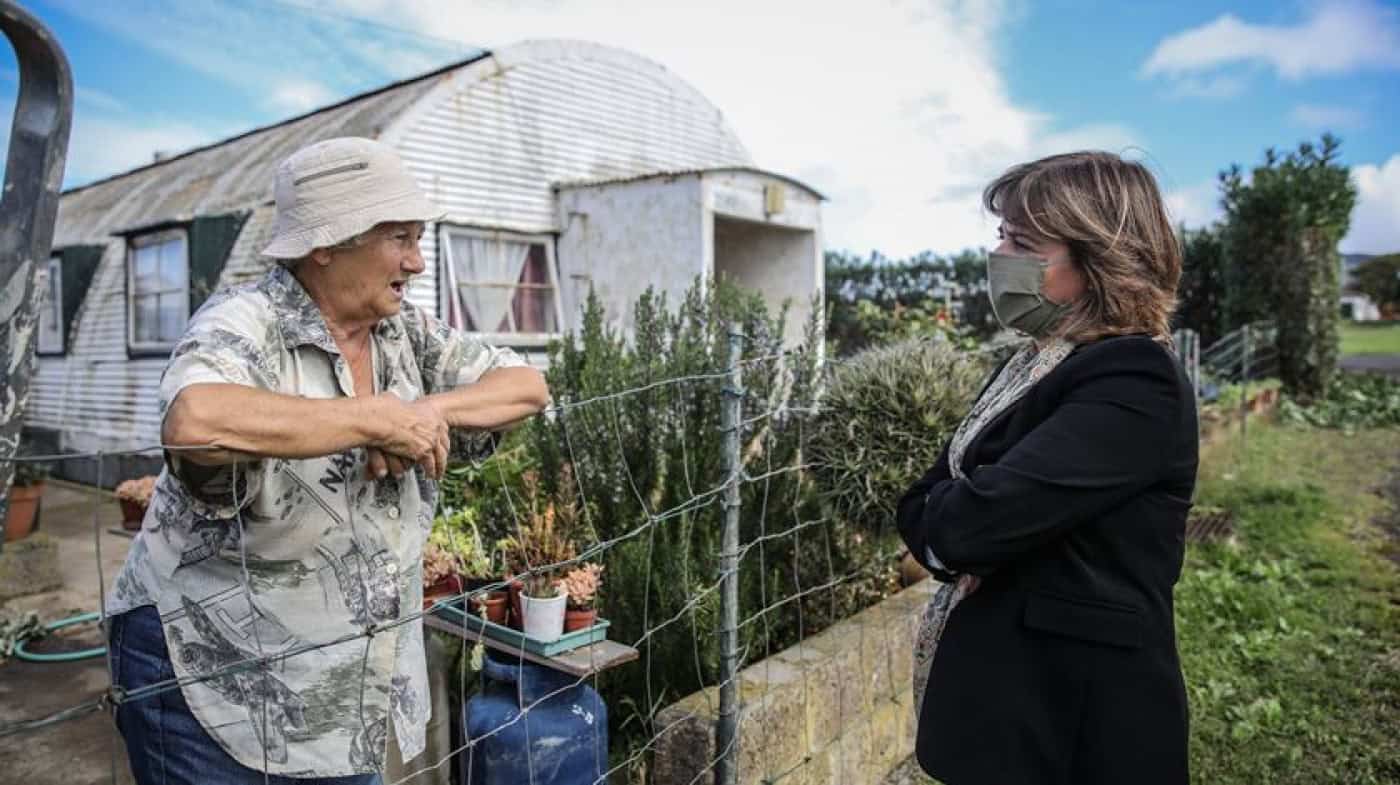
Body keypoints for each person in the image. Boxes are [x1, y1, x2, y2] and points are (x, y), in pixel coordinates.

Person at [105, 137, 550, 785]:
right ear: (326, 243)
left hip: (342, 689)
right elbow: (194, 420)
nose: (417, 262)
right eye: (400, 237)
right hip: (212, 676)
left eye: (419, 238)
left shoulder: (403, 333)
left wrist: (427, 412)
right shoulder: (246, 324)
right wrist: (369, 418)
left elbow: (526, 386)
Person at [896, 151, 1198, 785]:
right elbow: (932, 494)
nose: (999, 254)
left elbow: (963, 525)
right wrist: (947, 512)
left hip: (1075, 722)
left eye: (1022, 240)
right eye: (1000, 233)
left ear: (1099, 260)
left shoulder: (1135, 379)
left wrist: (947, 519)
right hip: (1017, 704)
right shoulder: (1037, 361)